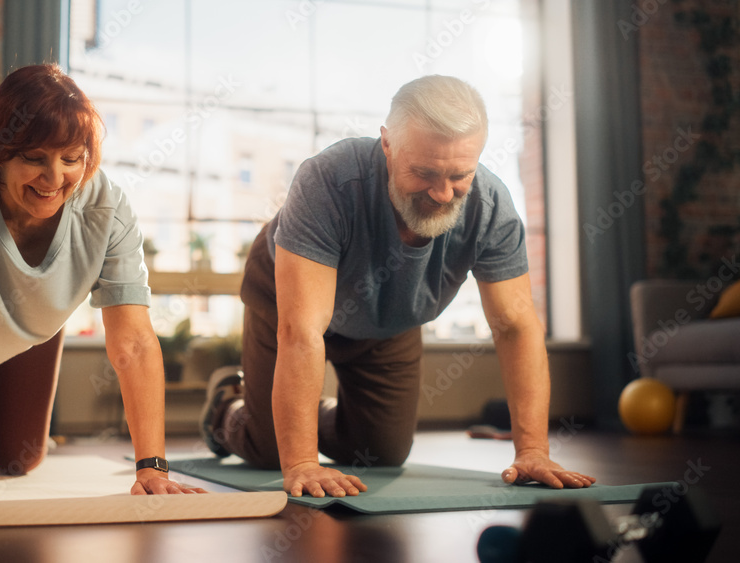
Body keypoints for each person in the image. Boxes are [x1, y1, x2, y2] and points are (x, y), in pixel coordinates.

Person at [200, 75, 597, 498]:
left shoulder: (491, 208)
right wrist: (302, 462)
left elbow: (516, 326)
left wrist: (532, 450)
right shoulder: (328, 182)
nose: (443, 194)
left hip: (390, 317)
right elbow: (301, 332)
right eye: (424, 173)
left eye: (459, 175)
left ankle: (300, 415)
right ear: (387, 144)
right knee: (269, 452)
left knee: (380, 452)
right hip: (290, 306)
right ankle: (229, 405)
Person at [0, 64, 204, 503]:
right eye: (34, 158)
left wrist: (152, 466)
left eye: (71, 160)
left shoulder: (108, 208)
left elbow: (134, 341)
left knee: (18, 459)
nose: (54, 181)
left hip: (31, 321)